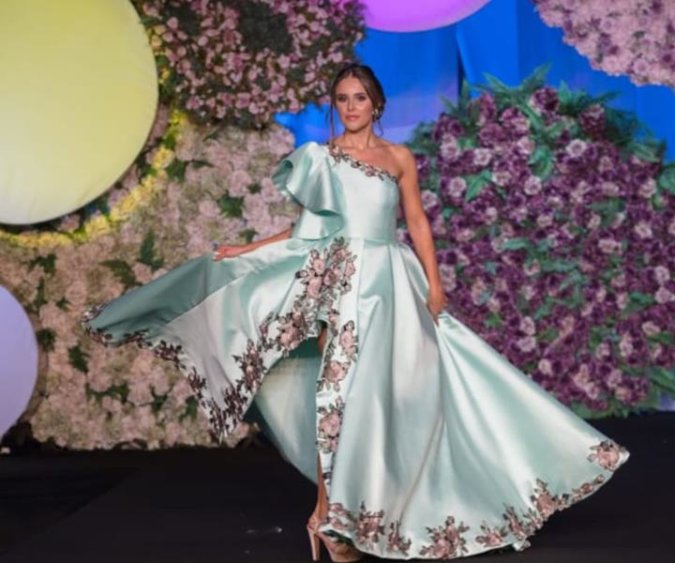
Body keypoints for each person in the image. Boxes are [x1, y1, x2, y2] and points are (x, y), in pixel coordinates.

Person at [83, 63, 629, 562]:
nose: (350, 107)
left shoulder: (398, 158)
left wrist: (436, 283)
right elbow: (306, 231)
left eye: (359, 98)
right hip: (341, 285)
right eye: (342, 99)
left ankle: (394, 505)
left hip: (394, 281)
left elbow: (416, 221)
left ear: (377, 104)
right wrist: (247, 250)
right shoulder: (320, 159)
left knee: (412, 394)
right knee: (339, 398)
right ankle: (328, 519)